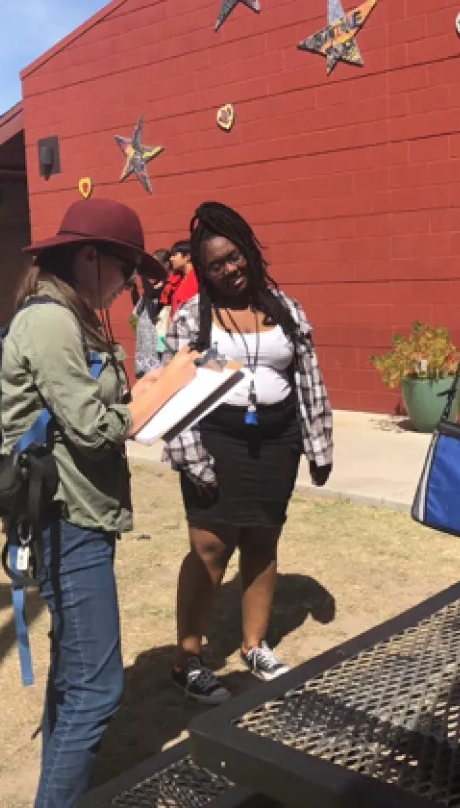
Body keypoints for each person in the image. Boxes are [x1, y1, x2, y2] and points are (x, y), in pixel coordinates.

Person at [0, 198, 198, 807]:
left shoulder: (68, 315)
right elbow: (90, 426)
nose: (126, 285)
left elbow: (84, 412)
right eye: (123, 269)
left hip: (78, 512)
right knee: (96, 689)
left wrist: (148, 394)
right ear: (90, 257)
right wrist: (150, 402)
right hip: (68, 519)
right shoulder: (52, 322)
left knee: (74, 678)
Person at [164, 201, 334, 704]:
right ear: (204, 271)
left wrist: (319, 446)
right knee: (211, 548)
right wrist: (192, 458)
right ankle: (189, 659)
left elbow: (309, 379)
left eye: (235, 257)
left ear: (249, 251)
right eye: (216, 265)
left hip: (277, 440)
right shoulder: (193, 317)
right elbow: (176, 394)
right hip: (216, 440)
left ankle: (254, 646)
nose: (230, 270)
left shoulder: (284, 307)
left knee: (263, 541)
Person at [132, 249, 170, 379]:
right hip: (147, 337)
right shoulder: (147, 295)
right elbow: (133, 317)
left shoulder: (169, 287)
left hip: (160, 337)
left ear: (166, 264)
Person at [161, 239, 198, 314]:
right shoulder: (179, 279)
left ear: (187, 256)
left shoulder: (197, 279)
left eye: (174, 255)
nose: (171, 259)